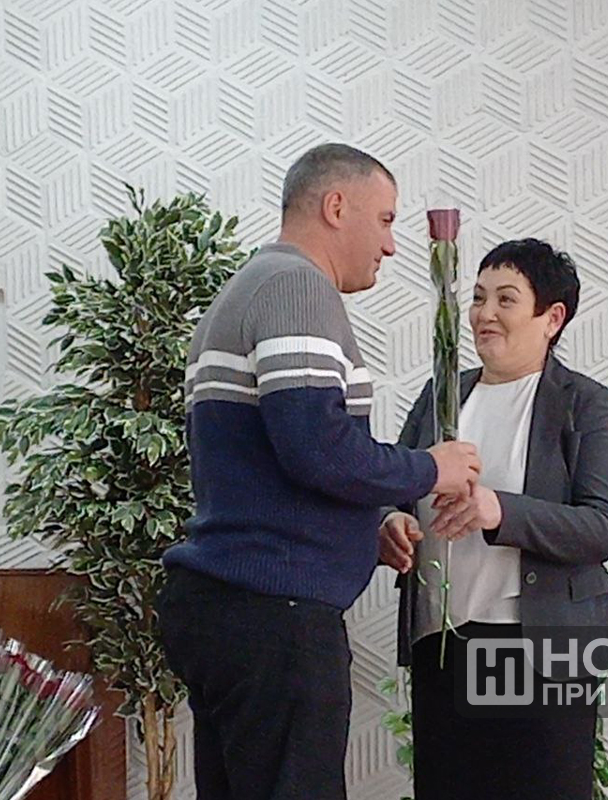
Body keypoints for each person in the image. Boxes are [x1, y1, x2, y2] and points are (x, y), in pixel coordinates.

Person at [157, 143, 483, 800]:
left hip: (235, 608)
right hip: (273, 617)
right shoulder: (295, 288)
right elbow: (316, 448)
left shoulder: (254, 285)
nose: (391, 245)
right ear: (336, 206)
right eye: (384, 219)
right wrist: (430, 468)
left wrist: (368, 521)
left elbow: (273, 458)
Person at [378, 238, 608, 800]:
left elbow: (603, 526)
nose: (484, 313)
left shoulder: (583, 403)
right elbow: (394, 484)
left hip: (539, 651)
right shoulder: (442, 394)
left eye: (506, 299)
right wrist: (389, 523)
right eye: (478, 297)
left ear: (552, 318)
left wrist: (500, 510)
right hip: (443, 645)